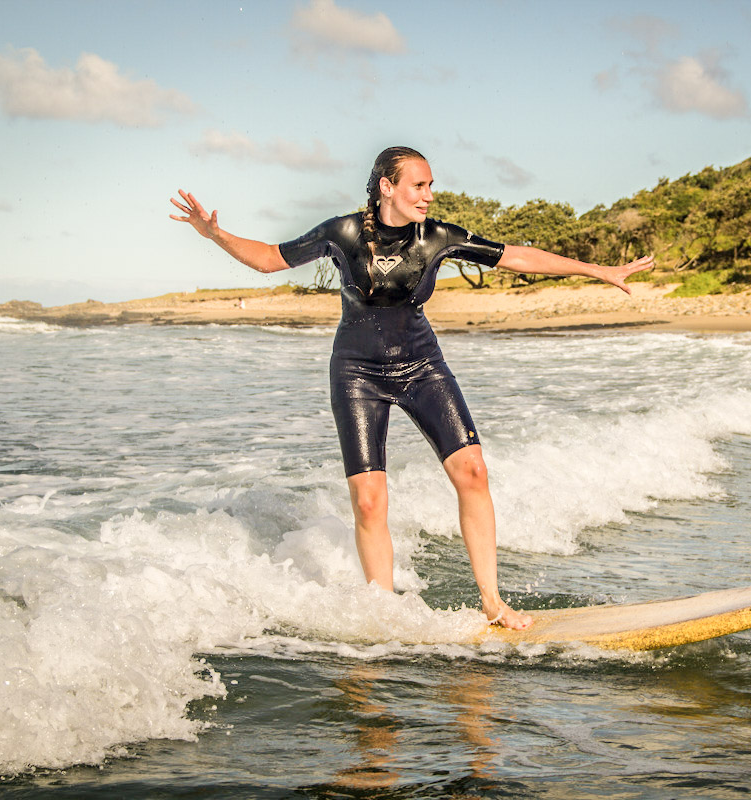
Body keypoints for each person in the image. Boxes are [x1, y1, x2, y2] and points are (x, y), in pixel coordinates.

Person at [171, 146, 653, 630]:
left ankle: (493, 602)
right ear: (387, 186)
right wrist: (214, 234)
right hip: (357, 373)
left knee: (473, 471)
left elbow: (515, 256)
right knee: (368, 499)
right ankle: (381, 611)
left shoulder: (437, 237)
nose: (428, 195)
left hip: (423, 366)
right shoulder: (343, 233)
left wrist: (598, 271)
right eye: (418, 185)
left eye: (430, 186)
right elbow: (271, 259)